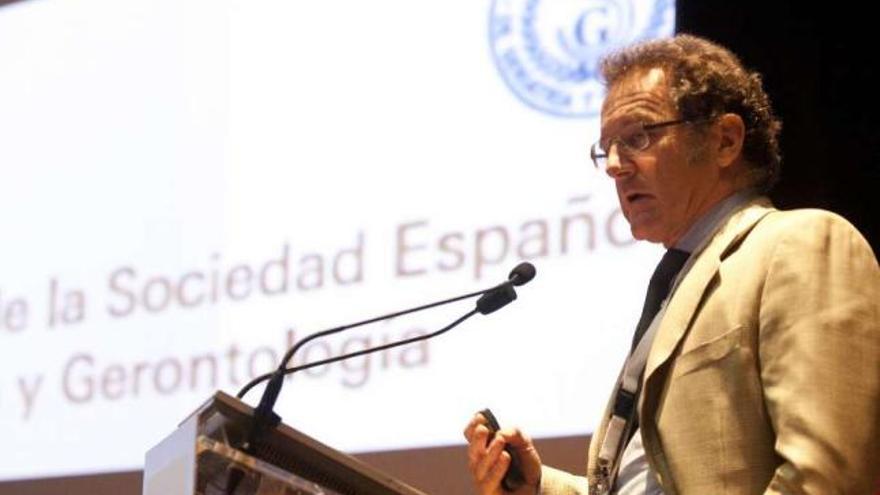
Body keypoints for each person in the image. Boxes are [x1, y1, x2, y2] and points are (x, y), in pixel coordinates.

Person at [463, 34, 880, 495]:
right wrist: (540, 487)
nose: (615, 166)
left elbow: (828, 480)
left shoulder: (799, 244)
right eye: (607, 148)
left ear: (725, 140)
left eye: (639, 136)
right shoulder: (677, 283)